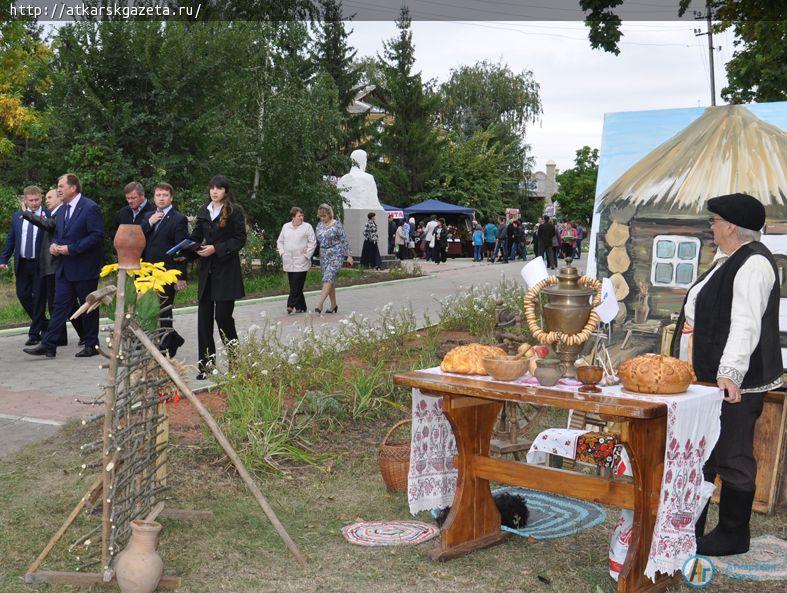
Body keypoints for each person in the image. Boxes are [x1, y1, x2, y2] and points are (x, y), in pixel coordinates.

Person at [670, 193, 781, 557]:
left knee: (732, 453)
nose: (711, 227)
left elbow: (745, 325)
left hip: (737, 384)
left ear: (731, 225)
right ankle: (691, 526)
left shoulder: (753, 265)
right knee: (704, 453)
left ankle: (734, 534)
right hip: (708, 380)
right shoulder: (729, 260)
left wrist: (730, 374)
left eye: (714, 221)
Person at [24, 174, 104, 358]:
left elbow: (96, 236)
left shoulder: (90, 207)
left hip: (85, 267)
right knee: (59, 306)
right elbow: (58, 233)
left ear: (73, 188)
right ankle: (49, 344)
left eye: (61, 186)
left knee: (88, 306)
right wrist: (55, 245)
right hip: (64, 267)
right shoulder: (61, 210)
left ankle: (91, 344)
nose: (58, 189)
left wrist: (72, 249)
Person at [188, 175, 247, 379]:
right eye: (212, 188)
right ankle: (206, 367)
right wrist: (184, 251)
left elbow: (240, 239)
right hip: (207, 273)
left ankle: (235, 364)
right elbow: (195, 236)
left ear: (226, 191)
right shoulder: (204, 210)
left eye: (219, 188)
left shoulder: (234, 210)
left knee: (223, 318)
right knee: (203, 321)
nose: (214, 191)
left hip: (226, 273)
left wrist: (216, 248)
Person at [21, 189, 84, 346]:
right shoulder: (55, 214)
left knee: (64, 305)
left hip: (55, 267)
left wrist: (27, 214)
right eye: (46, 197)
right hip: (48, 267)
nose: (46, 200)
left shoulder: (59, 215)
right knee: (58, 305)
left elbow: (48, 225)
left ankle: (83, 335)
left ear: (59, 199)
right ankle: (63, 337)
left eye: (50, 197)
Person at [140, 182, 189, 357]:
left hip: (167, 272)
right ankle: (171, 338)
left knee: (164, 309)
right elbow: (138, 238)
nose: (161, 198)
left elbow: (181, 249)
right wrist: (149, 223)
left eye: (165, 195)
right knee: (148, 308)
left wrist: (181, 276)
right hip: (147, 270)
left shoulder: (178, 219)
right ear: (154, 197)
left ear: (171, 198)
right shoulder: (147, 216)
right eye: (158, 195)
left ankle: (166, 343)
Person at [1, 186, 49, 346]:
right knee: (23, 295)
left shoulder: (47, 215)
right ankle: (45, 325)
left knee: (39, 298)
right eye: (31, 200)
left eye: (37, 200)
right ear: (25, 200)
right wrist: (3, 259)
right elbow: (11, 240)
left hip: (40, 264)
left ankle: (35, 334)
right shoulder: (17, 216)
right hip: (22, 263)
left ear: (41, 199)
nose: (34, 203)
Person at [276, 206, 317, 314]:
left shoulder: (307, 227)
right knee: (294, 284)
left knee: (297, 283)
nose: (302, 217)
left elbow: (313, 242)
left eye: (302, 215)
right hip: (288, 260)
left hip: (302, 260)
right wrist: (282, 253)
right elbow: (279, 241)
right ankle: (301, 307)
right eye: (299, 216)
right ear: (293, 217)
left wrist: (307, 255)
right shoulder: (286, 227)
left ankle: (290, 304)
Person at [314, 203, 352, 314]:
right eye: (320, 216)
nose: (322, 218)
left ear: (329, 214)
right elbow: (317, 240)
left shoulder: (337, 225)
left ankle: (319, 304)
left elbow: (344, 240)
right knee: (329, 281)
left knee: (328, 277)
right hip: (324, 255)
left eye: (324, 216)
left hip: (336, 254)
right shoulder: (319, 225)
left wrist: (349, 255)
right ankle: (333, 305)